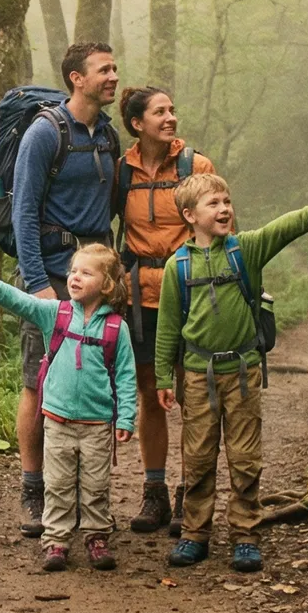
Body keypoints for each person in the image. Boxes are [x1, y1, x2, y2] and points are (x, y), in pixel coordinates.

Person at [154, 173, 308, 573]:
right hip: (197, 376)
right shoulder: (176, 267)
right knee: (197, 457)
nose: (225, 209)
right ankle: (195, 534)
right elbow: (167, 327)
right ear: (190, 215)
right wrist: (162, 377)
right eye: (214, 203)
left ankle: (246, 535)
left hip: (242, 371)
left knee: (245, 457)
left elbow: (281, 229)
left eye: (227, 201)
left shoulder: (245, 249)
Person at [0, 245, 137, 572]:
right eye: (73, 271)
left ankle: (96, 536)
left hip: (97, 424)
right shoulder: (55, 314)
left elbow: (126, 375)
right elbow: (21, 301)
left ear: (108, 284)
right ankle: (56, 540)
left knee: (95, 485)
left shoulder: (116, 328)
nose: (75, 277)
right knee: (56, 483)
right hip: (56, 420)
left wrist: (125, 416)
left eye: (86, 273)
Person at [10, 41, 121, 537]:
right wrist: (38, 284)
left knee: (92, 378)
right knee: (39, 381)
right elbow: (23, 212)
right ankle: (34, 491)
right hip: (54, 278)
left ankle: (81, 495)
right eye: (104, 70)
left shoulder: (108, 136)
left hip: (98, 277)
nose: (114, 76)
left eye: (114, 68)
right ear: (77, 78)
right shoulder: (44, 133)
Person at [112, 87, 214, 534]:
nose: (170, 117)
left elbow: (220, 224)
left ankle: (191, 494)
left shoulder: (196, 166)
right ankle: (154, 494)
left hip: (189, 292)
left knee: (193, 392)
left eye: (172, 109)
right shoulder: (122, 172)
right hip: (140, 298)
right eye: (160, 112)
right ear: (138, 123)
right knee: (150, 393)